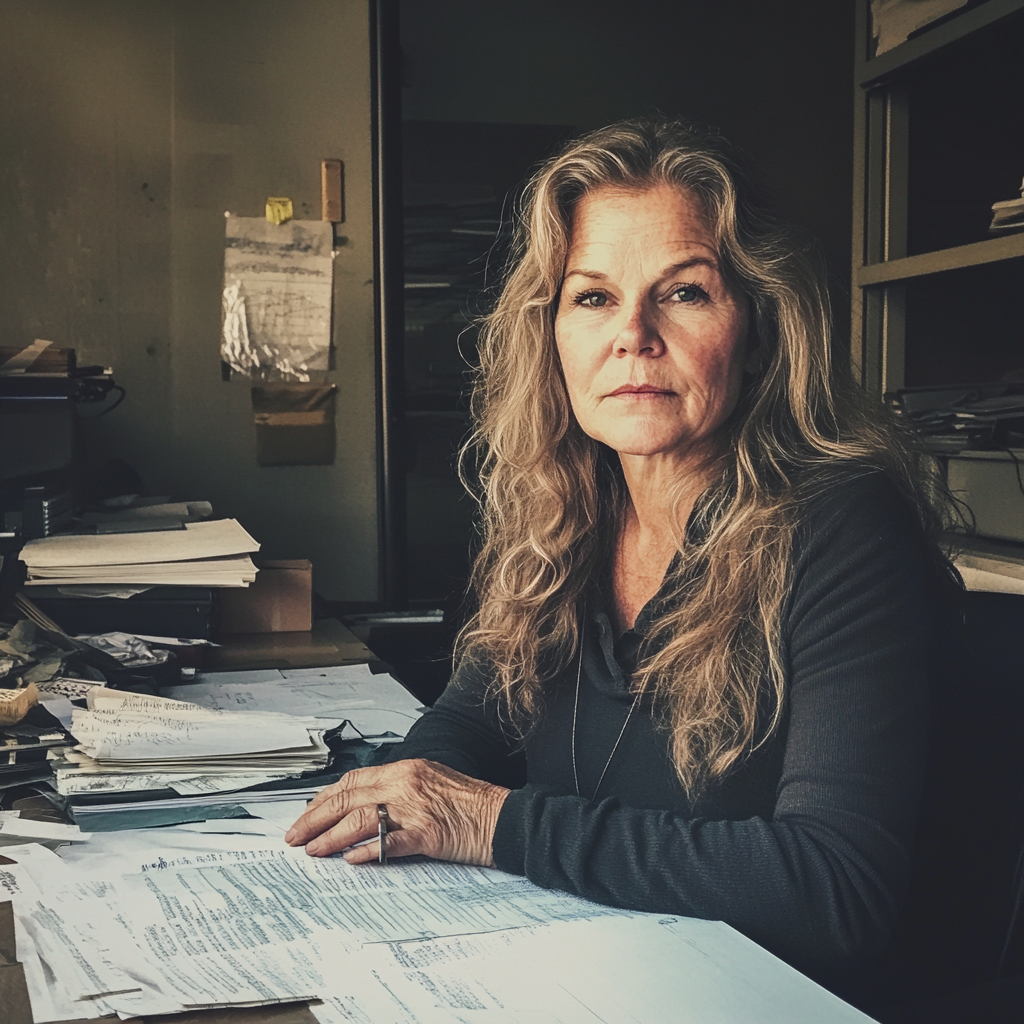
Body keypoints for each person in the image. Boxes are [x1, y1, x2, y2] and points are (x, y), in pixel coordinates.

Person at [286, 119, 957, 987]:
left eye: (684, 293)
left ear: (757, 332)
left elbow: (835, 890)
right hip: (583, 970)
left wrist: (493, 823)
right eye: (593, 296)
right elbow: (474, 719)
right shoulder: (561, 511)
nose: (632, 334)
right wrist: (400, 792)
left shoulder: (841, 528)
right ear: (552, 334)